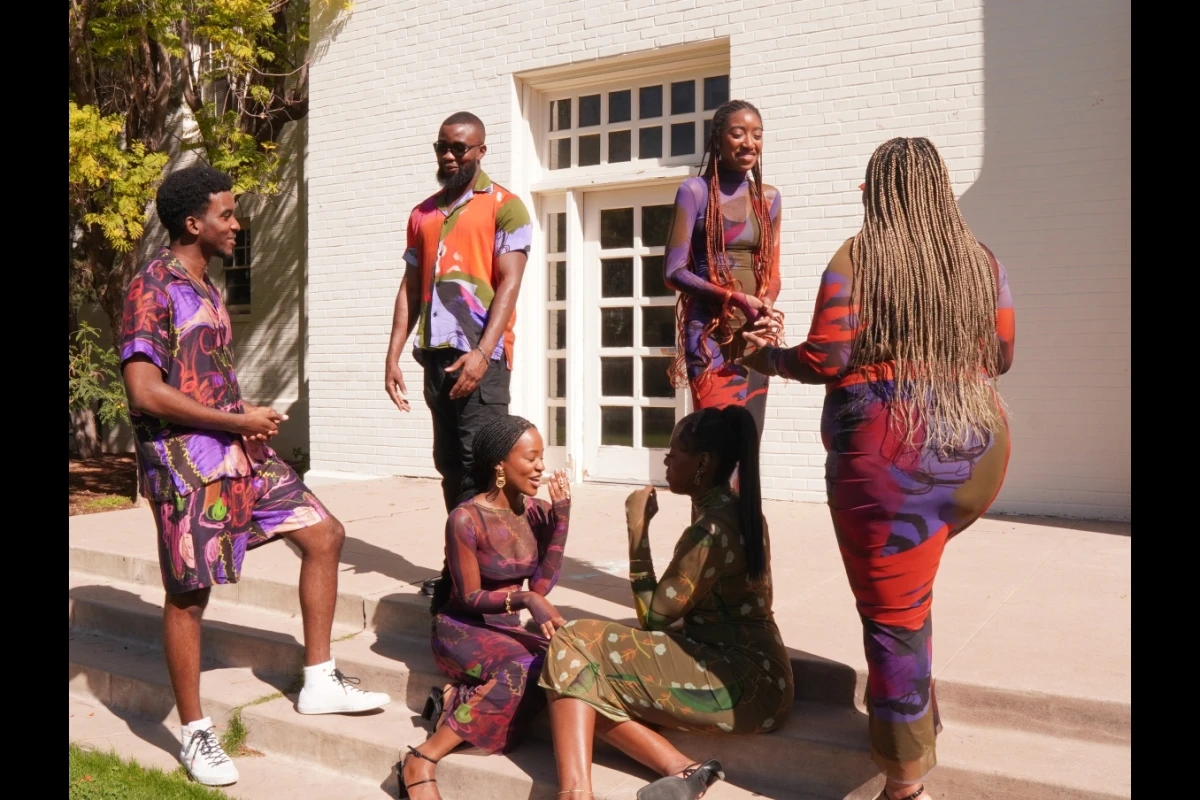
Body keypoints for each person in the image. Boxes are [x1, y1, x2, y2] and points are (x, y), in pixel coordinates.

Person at [741, 137, 1016, 800]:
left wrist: (764, 356)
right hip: (978, 450)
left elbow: (829, 358)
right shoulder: (982, 262)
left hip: (893, 458)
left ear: (880, 190)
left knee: (890, 619)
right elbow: (1002, 355)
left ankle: (903, 782)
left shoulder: (859, 258)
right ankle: (921, 718)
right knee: (911, 597)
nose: (862, 195)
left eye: (867, 185)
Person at [120, 165, 390, 787]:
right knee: (189, 595)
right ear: (194, 223)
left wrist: (242, 417)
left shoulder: (207, 284)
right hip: (185, 465)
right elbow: (143, 391)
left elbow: (201, 375)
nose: (237, 224)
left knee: (323, 533)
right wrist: (231, 420)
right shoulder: (152, 288)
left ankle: (319, 680)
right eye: (228, 214)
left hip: (238, 451)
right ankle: (195, 734)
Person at [539, 406, 793, 800]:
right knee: (579, 677)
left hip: (739, 685)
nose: (666, 460)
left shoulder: (709, 531)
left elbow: (654, 617)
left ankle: (575, 794)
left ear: (702, 463)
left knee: (571, 642)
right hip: (765, 675)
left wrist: (637, 529)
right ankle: (682, 770)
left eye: (674, 453)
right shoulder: (740, 513)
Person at [397, 416, 572, 799]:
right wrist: (526, 598)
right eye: (531, 457)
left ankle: (453, 701)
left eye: (542, 457)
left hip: (506, 629)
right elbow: (471, 596)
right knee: (524, 667)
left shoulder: (536, 512)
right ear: (500, 466)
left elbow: (541, 584)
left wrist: (561, 520)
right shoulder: (465, 519)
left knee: (558, 662)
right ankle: (421, 760)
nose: (541, 466)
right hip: (461, 628)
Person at [384, 111, 533, 513]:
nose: (448, 155)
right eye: (441, 147)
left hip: (481, 359)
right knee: (449, 465)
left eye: (458, 148)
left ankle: (489, 569)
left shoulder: (507, 206)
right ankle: (458, 567)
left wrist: (483, 354)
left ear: (481, 150)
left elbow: (510, 285)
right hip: (436, 357)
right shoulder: (423, 214)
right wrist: (393, 355)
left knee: (482, 466)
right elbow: (410, 288)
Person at [665, 100, 784, 441]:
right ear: (718, 139)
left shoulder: (769, 199)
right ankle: (715, 496)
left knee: (748, 440)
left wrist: (766, 302)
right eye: (738, 133)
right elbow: (673, 271)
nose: (749, 143)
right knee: (717, 441)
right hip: (709, 333)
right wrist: (732, 296)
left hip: (754, 336)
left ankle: (746, 498)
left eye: (757, 135)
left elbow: (773, 272)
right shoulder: (695, 192)